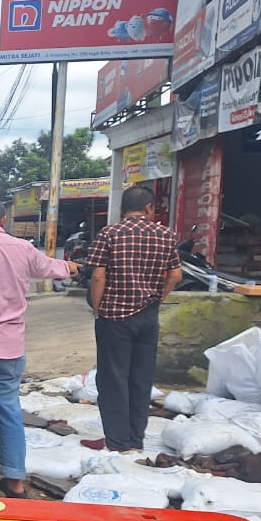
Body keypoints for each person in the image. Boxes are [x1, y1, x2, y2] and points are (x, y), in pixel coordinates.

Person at [0, 198, 80, 497]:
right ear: (4, 220)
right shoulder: (22, 247)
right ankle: (15, 481)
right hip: (11, 347)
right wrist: (70, 267)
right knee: (9, 412)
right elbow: (48, 267)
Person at [86, 185, 182, 452]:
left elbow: (97, 275)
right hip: (148, 316)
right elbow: (175, 275)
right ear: (150, 208)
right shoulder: (166, 235)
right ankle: (136, 440)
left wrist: (97, 307)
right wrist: (157, 297)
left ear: (121, 208)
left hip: (114, 316)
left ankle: (117, 442)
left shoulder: (110, 233)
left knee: (113, 378)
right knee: (141, 378)